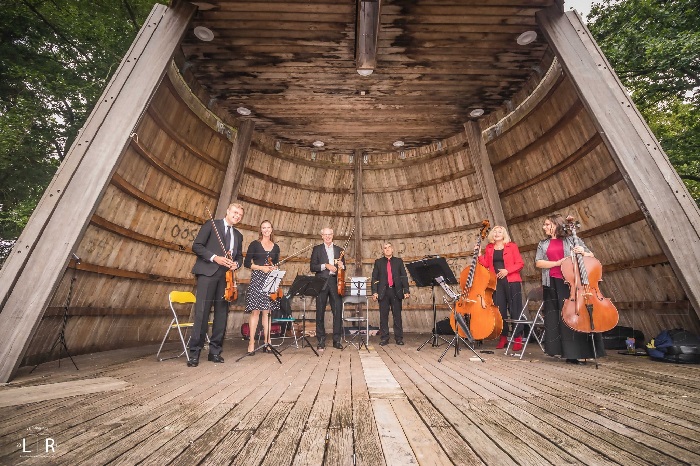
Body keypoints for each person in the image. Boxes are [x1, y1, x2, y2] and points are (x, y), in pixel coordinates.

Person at [535, 213, 605, 364]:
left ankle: (579, 352)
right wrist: (558, 262)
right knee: (557, 318)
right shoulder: (543, 244)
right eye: (545, 225)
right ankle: (562, 352)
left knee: (575, 315)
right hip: (552, 282)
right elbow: (539, 263)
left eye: (547, 224)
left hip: (572, 283)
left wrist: (583, 252)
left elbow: (590, 255)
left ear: (557, 224)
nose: (544, 227)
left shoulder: (572, 239)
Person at [188, 203, 244, 367]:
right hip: (207, 273)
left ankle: (215, 352)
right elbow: (197, 246)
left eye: (239, 215)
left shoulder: (238, 235)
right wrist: (215, 258)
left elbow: (239, 256)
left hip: (226, 278)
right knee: (202, 313)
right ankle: (194, 353)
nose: (237, 216)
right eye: (235, 212)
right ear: (228, 211)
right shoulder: (211, 224)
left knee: (221, 315)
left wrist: (237, 264)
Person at [476, 225, 525, 351]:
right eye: (495, 231)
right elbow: (486, 264)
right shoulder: (489, 247)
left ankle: (518, 338)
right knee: (500, 311)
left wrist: (507, 270)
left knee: (515, 309)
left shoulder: (512, 246)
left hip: (512, 281)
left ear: (504, 234)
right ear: (492, 235)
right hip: (496, 283)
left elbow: (520, 263)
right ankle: (503, 338)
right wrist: (479, 254)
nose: (497, 233)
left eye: (500, 231)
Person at [243, 220, 280, 355]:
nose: (266, 230)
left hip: (270, 280)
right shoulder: (255, 244)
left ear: (271, 229)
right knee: (256, 311)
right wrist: (261, 268)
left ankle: (267, 342)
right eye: (263, 228)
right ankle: (251, 342)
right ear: (261, 230)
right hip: (257, 278)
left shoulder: (276, 247)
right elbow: (246, 263)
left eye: (268, 227)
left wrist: (274, 268)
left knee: (267, 312)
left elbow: (275, 264)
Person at [310, 227, 345, 351]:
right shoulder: (317, 249)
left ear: (333, 235)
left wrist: (342, 266)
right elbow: (312, 267)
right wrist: (325, 265)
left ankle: (336, 340)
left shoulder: (339, 250)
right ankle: (320, 341)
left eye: (330, 234)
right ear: (322, 236)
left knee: (337, 311)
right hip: (321, 282)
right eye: (325, 235)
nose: (328, 236)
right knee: (320, 312)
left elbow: (343, 269)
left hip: (336, 283)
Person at [371, 242, 410, 346]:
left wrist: (406, 290)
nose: (387, 249)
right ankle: (384, 338)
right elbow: (374, 278)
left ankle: (399, 338)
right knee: (383, 316)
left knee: (397, 315)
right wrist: (374, 292)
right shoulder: (378, 262)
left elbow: (404, 276)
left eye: (389, 247)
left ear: (392, 249)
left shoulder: (398, 261)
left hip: (396, 291)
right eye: (385, 248)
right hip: (383, 292)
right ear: (383, 251)